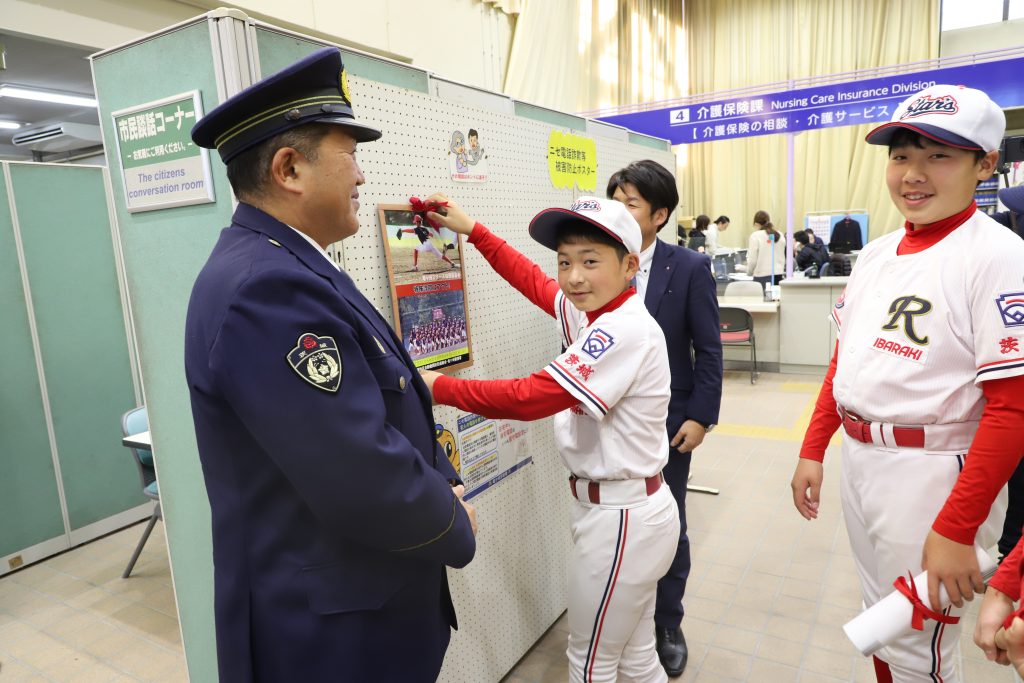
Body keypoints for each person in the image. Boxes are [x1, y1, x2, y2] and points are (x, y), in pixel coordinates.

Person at [185, 48, 477, 683]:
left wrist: (440, 475)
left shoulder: (290, 265)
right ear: (290, 168)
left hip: (360, 607)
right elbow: (355, 467)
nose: (362, 177)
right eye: (351, 155)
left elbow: (387, 401)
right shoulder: (265, 289)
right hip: (330, 637)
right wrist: (452, 519)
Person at [791, 84, 1024, 683]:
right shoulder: (876, 254)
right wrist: (814, 448)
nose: (913, 175)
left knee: (919, 643)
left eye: (938, 155)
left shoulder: (998, 254)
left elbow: (1013, 410)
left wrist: (956, 528)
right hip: (864, 459)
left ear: (986, 163)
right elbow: (844, 363)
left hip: (933, 470)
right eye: (900, 155)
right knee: (883, 623)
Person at [420, 194, 681, 683]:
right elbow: (534, 282)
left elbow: (531, 397)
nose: (573, 276)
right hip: (627, 511)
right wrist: (474, 231)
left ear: (629, 265)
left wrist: (439, 387)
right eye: (565, 261)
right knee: (637, 658)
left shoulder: (624, 330)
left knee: (590, 666)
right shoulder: (597, 311)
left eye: (589, 261)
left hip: (622, 520)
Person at [606, 160, 722, 678]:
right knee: (618, 525)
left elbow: (709, 351)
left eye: (629, 203)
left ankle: (667, 623)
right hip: (609, 421)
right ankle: (621, 614)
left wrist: (700, 417)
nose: (618, 210)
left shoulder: (689, 267)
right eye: (614, 199)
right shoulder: (600, 261)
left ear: (660, 214)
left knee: (668, 524)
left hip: (669, 425)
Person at [745, 210, 785, 288]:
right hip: (778, 275)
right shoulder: (780, 234)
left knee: (762, 299)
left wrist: (749, 272)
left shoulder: (756, 235)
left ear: (756, 224)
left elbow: (752, 260)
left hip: (762, 276)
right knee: (776, 299)